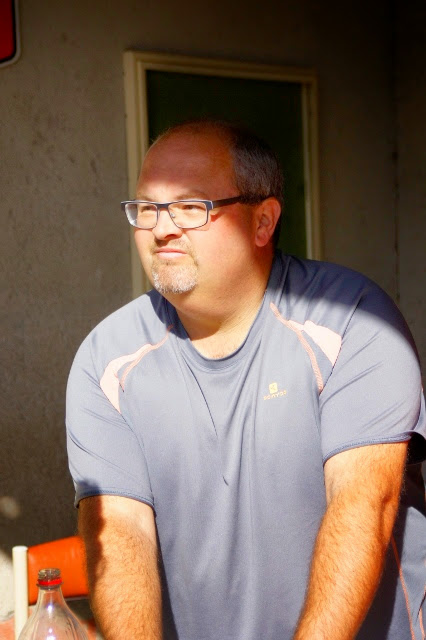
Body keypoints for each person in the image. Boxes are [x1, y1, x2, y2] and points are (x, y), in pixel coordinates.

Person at [66, 119, 426, 640]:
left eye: (190, 206)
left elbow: (364, 505)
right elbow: (120, 535)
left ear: (263, 222)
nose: (161, 229)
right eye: (147, 207)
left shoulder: (352, 320)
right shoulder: (106, 360)